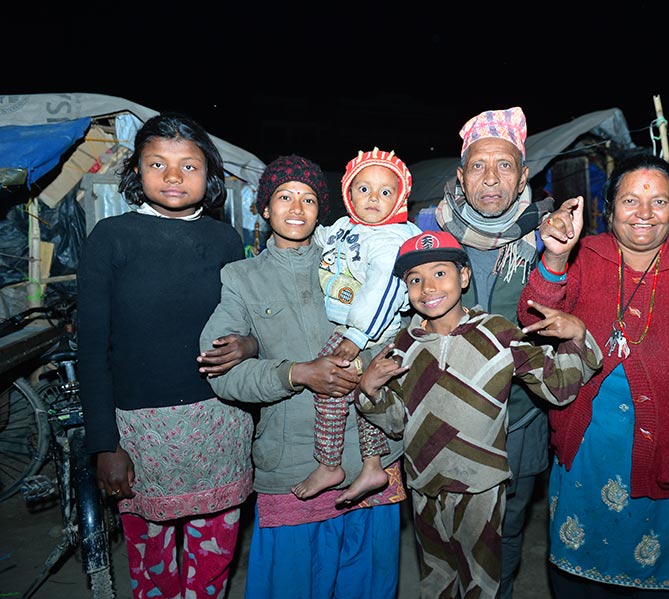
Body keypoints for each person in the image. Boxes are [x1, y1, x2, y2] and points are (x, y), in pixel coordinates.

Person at [517, 151, 669, 598]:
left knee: (660, 578)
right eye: (630, 201)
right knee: (579, 577)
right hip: (587, 449)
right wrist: (553, 258)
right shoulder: (585, 255)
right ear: (608, 210)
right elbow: (532, 316)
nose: (644, 213)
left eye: (659, 202)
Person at [198, 154, 407, 599]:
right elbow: (222, 373)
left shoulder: (353, 255)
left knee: (369, 586)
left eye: (309, 199)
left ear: (323, 208)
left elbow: (397, 318)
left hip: (374, 458)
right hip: (293, 467)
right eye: (284, 197)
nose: (296, 209)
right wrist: (294, 373)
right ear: (264, 208)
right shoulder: (242, 279)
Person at [356, 230, 603, 599]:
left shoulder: (499, 333)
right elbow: (395, 424)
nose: (428, 287)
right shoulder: (402, 346)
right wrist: (371, 390)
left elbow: (560, 388)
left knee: (481, 583)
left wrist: (578, 336)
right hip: (425, 483)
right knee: (435, 579)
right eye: (415, 279)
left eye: (440, 273)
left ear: (464, 277)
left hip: (481, 487)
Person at [77, 112, 255, 598]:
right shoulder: (110, 238)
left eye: (189, 166)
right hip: (139, 433)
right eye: (158, 163)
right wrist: (104, 444)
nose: (173, 176)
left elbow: (248, 325)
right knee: (151, 564)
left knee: (213, 557)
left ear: (209, 175)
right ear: (137, 172)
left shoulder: (225, 240)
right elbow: (91, 348)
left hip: (220, 424)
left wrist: (249, 345)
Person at [414, 106, 560, 599]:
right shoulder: (428, 232)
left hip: (517, 418)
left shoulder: (548, 237)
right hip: (442, 415)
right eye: (478, 165)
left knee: (507, 534)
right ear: (461, 175)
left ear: (523, 177)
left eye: (504, 165)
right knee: (440, 535)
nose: (491, 178)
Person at [292, 147, 421, 504]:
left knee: (330, 385)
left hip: (373, 332)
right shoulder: (348, 227)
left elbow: (382, 291)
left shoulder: (391, 239)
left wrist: (356, 336)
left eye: (385, 192)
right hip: (356, 329)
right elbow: (323, 238)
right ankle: (372, 465)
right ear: (348, 192)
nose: (373, 199)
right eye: (363, 189)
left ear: (400, 198)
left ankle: (330, 464)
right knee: (364, 394)